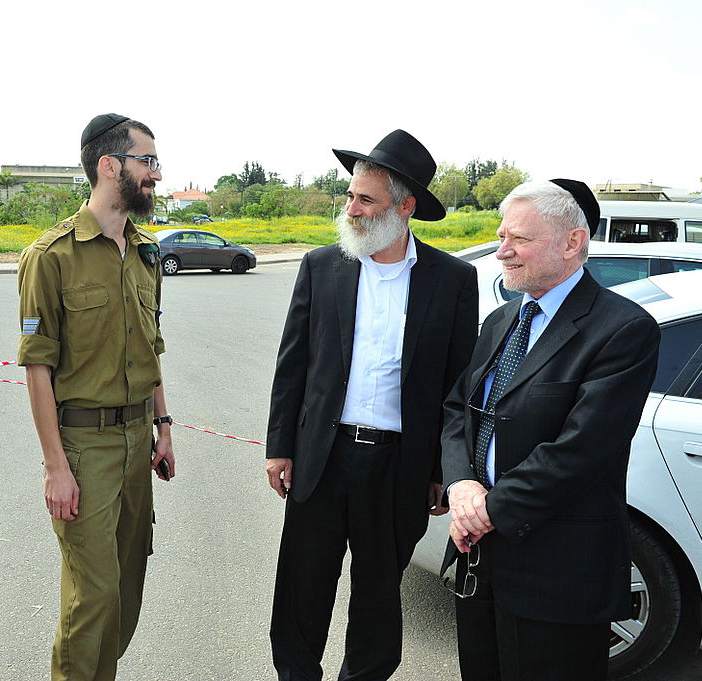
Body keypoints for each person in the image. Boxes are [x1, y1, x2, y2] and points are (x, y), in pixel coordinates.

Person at [265, 129, 479, 681]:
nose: (352, 209)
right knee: (302, 586)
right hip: (323, 458)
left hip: (397, 468)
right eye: (350, 196)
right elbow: (293, 366)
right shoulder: (322, 266)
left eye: (366, 200)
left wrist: (441, 471)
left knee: (379, 595)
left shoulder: (453, 280)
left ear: (404, 208)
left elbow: (457, 388)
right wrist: (279, 447)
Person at [440, 180, 661, 681]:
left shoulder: (622, 330)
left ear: (572, 242)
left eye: (519, 238)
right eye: (501, 236)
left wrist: (486, 511)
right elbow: (459, 411)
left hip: (558, 574)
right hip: (481, 561)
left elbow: (580, 451)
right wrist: (461, 485)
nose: (502, 250)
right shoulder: (502, 320)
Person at [17, 113, 175, 681]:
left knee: (127, 587)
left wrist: (163, 427)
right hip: (84, 446)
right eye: (147, 161)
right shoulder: (51, 256)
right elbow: (37, 367)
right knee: (94, 595)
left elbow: (151, 348)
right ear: (110, 166)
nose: (156, 173)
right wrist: (55, 467)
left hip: (138, 439)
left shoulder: (146, 252)